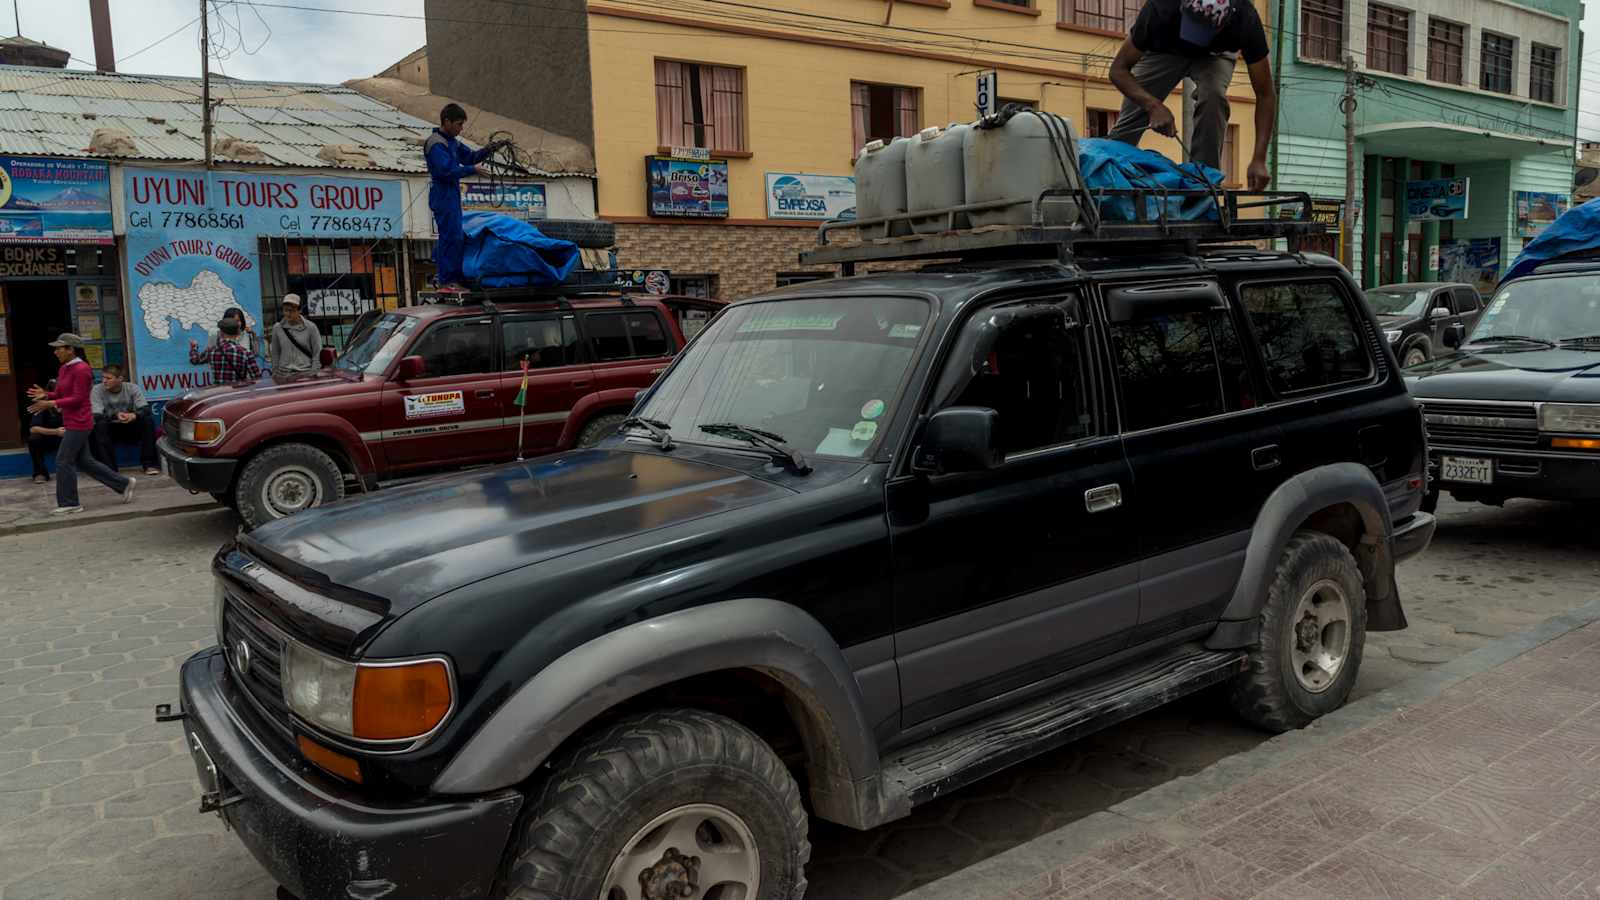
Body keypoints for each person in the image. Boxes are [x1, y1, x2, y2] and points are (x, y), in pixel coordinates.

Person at [1108, 0, 1276, 190]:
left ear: (1226, 21)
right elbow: (1118, 70)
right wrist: (1152, 105)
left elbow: (1265, 94)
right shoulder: (1160, 9)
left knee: (1214, 98)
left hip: (1214, 55)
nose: (1195, 41)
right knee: (1134, 113)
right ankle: (1108, 178)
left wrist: (1259, 159)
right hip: (1164, 51)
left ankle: (1203, 184)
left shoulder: (1245, 19)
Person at [26, 334, 134, 514]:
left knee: (63, 460)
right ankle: (123, 484)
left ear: (71, 349)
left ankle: (70, 503)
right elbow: (61, 394)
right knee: (84, 461)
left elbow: (78, 398)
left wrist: (51, 404)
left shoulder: (83, 370)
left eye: (59, 348)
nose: (55, 352)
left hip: (81, 422)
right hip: (71, 420)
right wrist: (46, 394)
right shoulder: (64, 369)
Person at [425, 103, 503, 289]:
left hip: (451, 194)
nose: (461, 128)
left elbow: (470, 157)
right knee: (450, 237)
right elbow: (446, 170)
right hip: (442, 194)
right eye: (459, 124)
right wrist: (472, 170)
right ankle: (448, 280)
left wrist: (490, 149)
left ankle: (455, 278)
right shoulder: (436, 143)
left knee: (457, 237)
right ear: (447, 121)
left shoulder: (453, 142)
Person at [90, 364, 160, 476]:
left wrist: (134, 415)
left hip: (129, 426)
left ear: (120, 379)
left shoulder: (132, 388)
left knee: (148, 420)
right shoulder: (97, 390)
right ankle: (110, 469)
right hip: (110, 428)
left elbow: (145, 409)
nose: (104, 381)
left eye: (108, 378)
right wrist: (115, 415)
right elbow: (96, 415)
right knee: (99, 425)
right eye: (103, 377)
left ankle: (149, 464)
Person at [190, 316, 263, 385]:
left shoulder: (211, 351)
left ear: (221, 332)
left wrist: (194, 348)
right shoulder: (245, 353)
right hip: (238, 394)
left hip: (220, 394)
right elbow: (257, 377)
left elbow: (195, 360)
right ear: (238, 333)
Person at [268, 294, 324, 375]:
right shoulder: (277, 328)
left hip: (304, 373)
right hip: (283, 374)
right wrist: (275, 373)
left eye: (291, 310)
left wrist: (313, 373)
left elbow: (317, 353)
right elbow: (275, 354)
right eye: (285, 310)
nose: (288, 313)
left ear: (299, 310)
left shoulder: (311, 327)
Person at [27, 379, 64, 484]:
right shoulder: (42, 405)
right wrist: (55, 432)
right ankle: (40, 473)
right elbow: (33, 428)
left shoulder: (70, 401)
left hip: (71, 437)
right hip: (52, 438)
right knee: (33, 438)